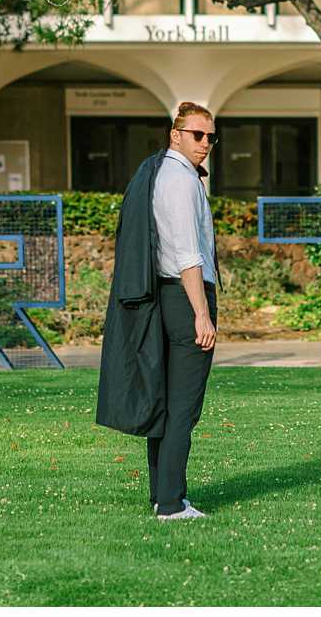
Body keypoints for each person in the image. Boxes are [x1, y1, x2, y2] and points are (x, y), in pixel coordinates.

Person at [95, 100, 219, 520]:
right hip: (185, 298)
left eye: (210, 136)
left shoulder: (157, 173)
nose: (205, 144)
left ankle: (163, 494)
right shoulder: (181, 181)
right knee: (183, 405)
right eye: (197, 135)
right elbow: (187, 254)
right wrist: (201, 313)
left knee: (164, 402)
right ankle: (170, 503)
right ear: (176, 134)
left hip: (160, 296)